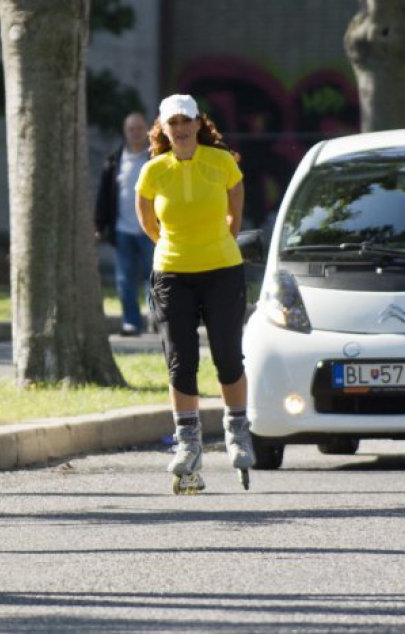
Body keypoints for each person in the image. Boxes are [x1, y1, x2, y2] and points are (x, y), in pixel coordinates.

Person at [135, 94, 255, 494]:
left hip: (222, 269)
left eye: (187, 121)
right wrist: (169, 245)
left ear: (198, 124)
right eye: (174, 123)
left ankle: (237, 429)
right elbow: (147, 218)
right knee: (180, 359)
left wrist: (227, 234)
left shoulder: (220, 163)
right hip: (172, 272)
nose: (181, 128)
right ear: (164, 129)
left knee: (226, 352)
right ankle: (188, 443)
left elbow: (236, 201)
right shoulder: (154, 170)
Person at [94, 112, 154, 336]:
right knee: (125, 280)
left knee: (156, 278)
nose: (136, 133)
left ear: (146, 131)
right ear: (125, 132)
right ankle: (132, 322)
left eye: (139, 128)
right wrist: (99, 226)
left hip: (151, 229)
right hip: (123, 229)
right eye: (131, 129)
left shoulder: (155, 158)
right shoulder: (114, 160)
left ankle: (155, 319)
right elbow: (104, 196)